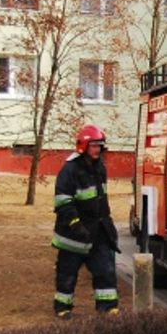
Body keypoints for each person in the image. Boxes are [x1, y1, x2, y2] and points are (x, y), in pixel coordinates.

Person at [51, 124, 120, 318]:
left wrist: (108, 225)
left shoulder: (99, 168)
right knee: (67, 273)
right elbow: (63, 202)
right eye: (94, 146)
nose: (97, 150)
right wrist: (75, 225)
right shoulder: (69, 170)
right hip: (73, 235)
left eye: (100, 146)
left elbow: (101, 200)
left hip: (98, 231)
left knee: (105, 270)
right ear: (84, 146)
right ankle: (62, 308)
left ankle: (108, 308)